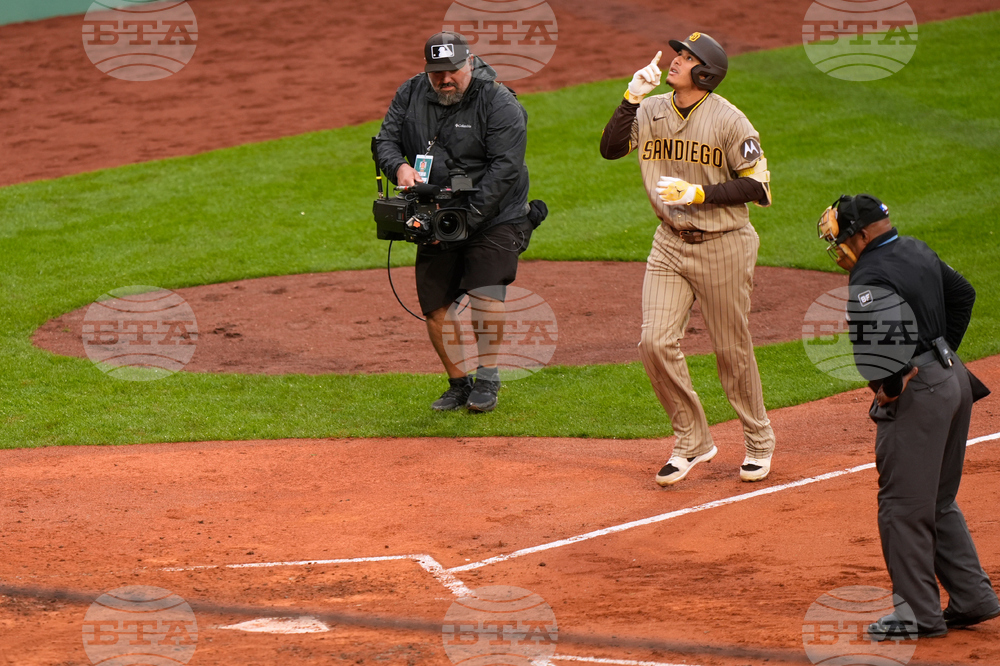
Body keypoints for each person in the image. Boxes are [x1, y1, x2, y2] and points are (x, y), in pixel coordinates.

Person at [817, 193, 999, 640]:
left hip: (920, 394)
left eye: (841, 235)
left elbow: (885, 349)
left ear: (861, 233)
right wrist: (942, 353)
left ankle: (918, 615)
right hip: (954, 381)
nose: (837, 244)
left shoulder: (869, 274)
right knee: (936, 501)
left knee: (902, 509)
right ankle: (973, 597)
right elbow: (964, 294)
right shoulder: (916, 248)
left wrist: (893, 386)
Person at [599, 33, 776, 485]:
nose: (675, 61)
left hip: (724, 244)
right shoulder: (653, 108)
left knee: (730, 351)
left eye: (686, 57)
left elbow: (757, 186)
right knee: (654, 343)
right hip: (669, 242)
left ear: (705, 73)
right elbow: (611, 149)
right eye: (678, 54)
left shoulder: (730, 121)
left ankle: (758, 440)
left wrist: (699, 192)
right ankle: (692, 440)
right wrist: (630, 97)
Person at [375, 32, 538, 413]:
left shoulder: (498, 101)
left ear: (469, 63)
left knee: (485, 291)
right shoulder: (410, 92)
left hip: (495, 213)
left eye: (452, 71)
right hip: (436, 211)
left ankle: (487, 378)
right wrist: (399, 166)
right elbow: (385, 141)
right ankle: (457, 382)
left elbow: (506, 168)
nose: (444, 80)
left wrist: (471, 216)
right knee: (435, 304)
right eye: (436, 73)